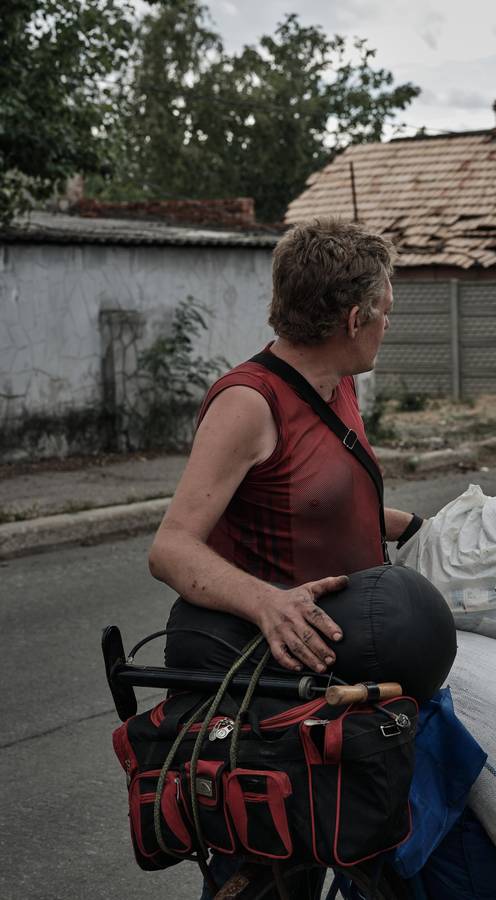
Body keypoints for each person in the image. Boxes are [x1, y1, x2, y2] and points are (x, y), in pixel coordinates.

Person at [148, 218, 421, 675]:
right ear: (354, 321)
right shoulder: (249, 403)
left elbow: (308, 507)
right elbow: (171, 548)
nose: (388, 323)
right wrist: (266, 604)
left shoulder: (339, 384)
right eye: (384, 309)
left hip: (347, 647)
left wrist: (416, 528)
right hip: (272, 664)